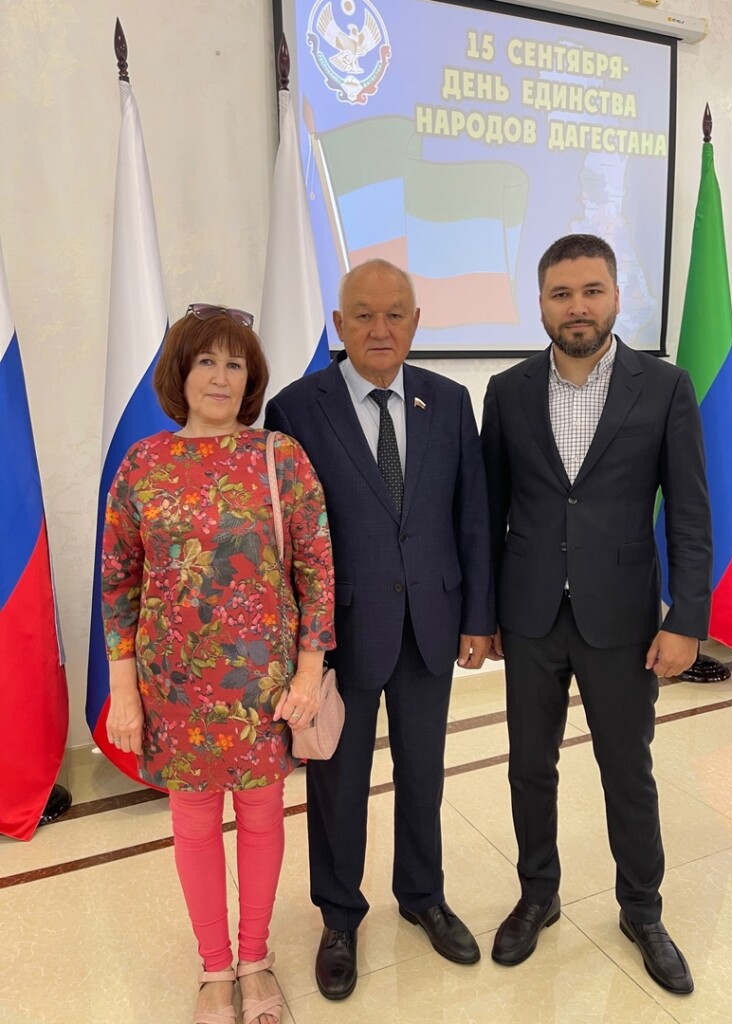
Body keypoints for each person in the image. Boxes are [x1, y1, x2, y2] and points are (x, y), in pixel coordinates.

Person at [481, 234, 712, 995]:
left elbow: (690, 510)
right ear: (541, 304)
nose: (576, 307)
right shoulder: (508, 391)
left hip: (624, 616)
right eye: (561, 294)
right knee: (528, 766)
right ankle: (537, 895)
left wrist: (687, 619)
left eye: (591, 291)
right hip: (530, 613)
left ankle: (642, 910)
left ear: (616, 296)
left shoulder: (665, 387)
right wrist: (483, 613)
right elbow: (488, 511)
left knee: (627, 769)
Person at [264, 259, 495, 1000]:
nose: (380, 328)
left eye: (396, 313)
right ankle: (339, 916)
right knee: (338, 784)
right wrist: (298, 647)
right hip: (339, 636)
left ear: (416, 323)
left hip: (432, 624)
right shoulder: (296, 409)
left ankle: (423, 896)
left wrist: (478, 618)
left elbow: (471, 515)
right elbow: (285, 539)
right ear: (339, 325)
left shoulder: (449, 401)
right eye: (362, 314)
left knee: (425, 773)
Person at [102, 303, 335, 1024]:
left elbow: (317, 570)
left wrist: (308, 673)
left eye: (236, 364)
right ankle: (214, 969)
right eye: (206, 360)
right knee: (195, 823)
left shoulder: (280, 457)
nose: (220, 376)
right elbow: (118, 584)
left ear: (251, 380)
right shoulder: (143, 464)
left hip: (263, 685)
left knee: (263, 817)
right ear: (180, 372)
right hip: (172, 686)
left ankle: (255, 961)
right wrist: (124, 694)